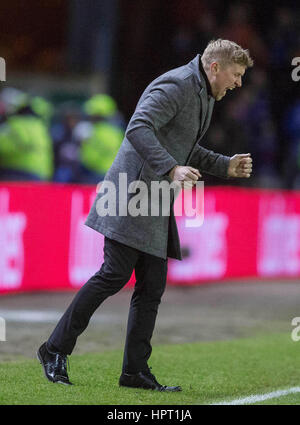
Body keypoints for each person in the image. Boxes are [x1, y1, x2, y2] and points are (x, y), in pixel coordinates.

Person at [37, 39, 253, 390]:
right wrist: (171, 170)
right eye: (236, 74)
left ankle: (134, 371)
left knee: (151, 287)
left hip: (152, 199)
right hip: (130, 193)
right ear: (216, 67)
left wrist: (225, 166)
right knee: (113, 274)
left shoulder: (203, 93)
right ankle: (54, 349)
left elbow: (185, 146)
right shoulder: (178, 84)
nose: (238, 83)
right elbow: (137, 127)